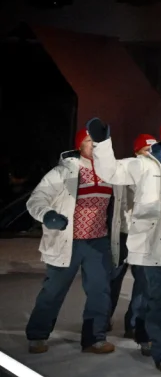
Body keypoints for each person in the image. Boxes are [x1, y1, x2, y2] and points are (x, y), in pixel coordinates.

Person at [92, 122, 161, 373]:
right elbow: (111, 172)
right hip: (154, 243)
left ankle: (145, 331)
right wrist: (102, 143)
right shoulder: (146, 163)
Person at [26, 125, 124, 355]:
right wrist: (47, 215)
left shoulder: (112, 173)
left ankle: (94, 338)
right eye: (90, 141)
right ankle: (38, 334)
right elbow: (37, 199)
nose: (94, 146)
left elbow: (124, 205)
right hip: (68, 241)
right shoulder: (63, 172)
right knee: (53, 291)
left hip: (98, 241)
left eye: (98, 142)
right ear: (79, 145)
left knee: (100, 291)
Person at [106, 133, 155, 351]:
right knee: (112, 280)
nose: (151, 155)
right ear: (136, 153)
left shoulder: (158, 174)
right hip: (122, 234)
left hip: (145, 236)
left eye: (154, 151)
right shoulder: (123, 170)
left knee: (144, 283)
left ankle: (134, 324)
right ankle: (102, 319)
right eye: (147, 151)